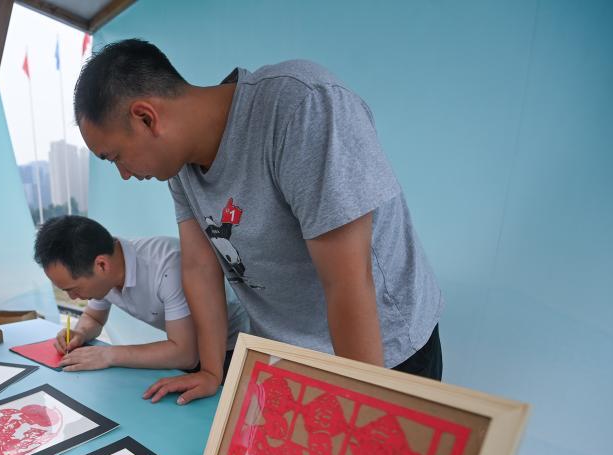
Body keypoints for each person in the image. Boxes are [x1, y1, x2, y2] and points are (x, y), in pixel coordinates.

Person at [73, 40, 443, 406]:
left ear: (146, 117)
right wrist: (212, 371)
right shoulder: (182, 169)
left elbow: (347, 281)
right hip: (293, 357)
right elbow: (200, 267)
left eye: (116, 157)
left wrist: (360, 404)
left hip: (381, 355)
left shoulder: (300, 107)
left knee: (370, 441)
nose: (124, 174)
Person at [33, 214, 248, 375]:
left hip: (233, 348)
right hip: (191, 350)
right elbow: (93, 318)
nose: (72, 298)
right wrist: (79, 333)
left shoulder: (168, 267)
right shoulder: (104, 269)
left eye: (72, 289)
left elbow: (185, 354)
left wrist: (109, 354)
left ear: (101, 265)